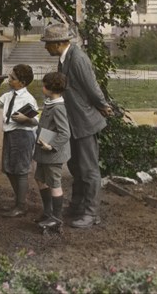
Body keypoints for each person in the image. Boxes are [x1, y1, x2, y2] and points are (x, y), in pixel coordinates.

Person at [41, 23, 112, 228]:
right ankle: (77, 206)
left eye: (48, 44)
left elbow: (92, 86)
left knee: (89, 169)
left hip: (85, 122)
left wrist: (103, 106)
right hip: (72, 122)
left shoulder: (78, 58)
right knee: (75, 166)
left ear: (60, 43)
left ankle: (91, 214)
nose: (46, 47)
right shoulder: (64, 60)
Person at [0, 64, 38, 217]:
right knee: (9, 168)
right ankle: (18, 202)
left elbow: (35, 121)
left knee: (20, 171)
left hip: (23, 136)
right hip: (10, 134)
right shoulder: (9, 95)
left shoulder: (29, 99)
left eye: (13, 78)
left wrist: (26, 118)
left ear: (23, 83)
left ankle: (21, 205)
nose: (9, 79)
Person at [33, 72, 70, 229]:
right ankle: (48, 212)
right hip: (43, 151)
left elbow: (65, 133)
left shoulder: (58, 108)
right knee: (40, 179)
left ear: (50, 88)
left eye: (44, 85)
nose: (42, 87)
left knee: (54, 183)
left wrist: (52, 146)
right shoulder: (50, 103)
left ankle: (57, 218)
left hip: (52, 153)